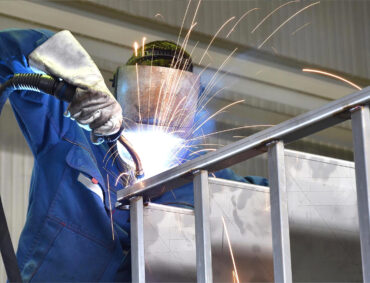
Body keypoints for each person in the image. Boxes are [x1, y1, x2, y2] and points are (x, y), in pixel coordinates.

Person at [0, 28, 267, 281]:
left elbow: (286, 196)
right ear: (117, 91)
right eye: (142, 96)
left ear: (192, 105)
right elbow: (6, 55)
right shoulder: (74, 135)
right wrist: (64, 63)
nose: (153, 113)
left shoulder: (208, 183)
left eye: (172, 98)